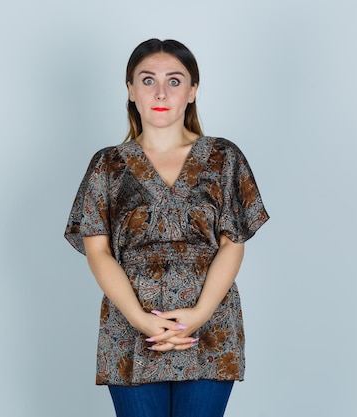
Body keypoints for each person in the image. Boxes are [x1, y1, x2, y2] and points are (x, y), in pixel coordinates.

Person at [64, 38, 269, 417]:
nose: (161, 92)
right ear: (130, 89)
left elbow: (233, 243)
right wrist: (142, 320)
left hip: (208, 328)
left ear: (192, 91)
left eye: (175, 81)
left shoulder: (224, 158)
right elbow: (98, 251)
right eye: (147, 80)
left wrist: (200, 313)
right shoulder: (107, 165)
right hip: (131, 327)